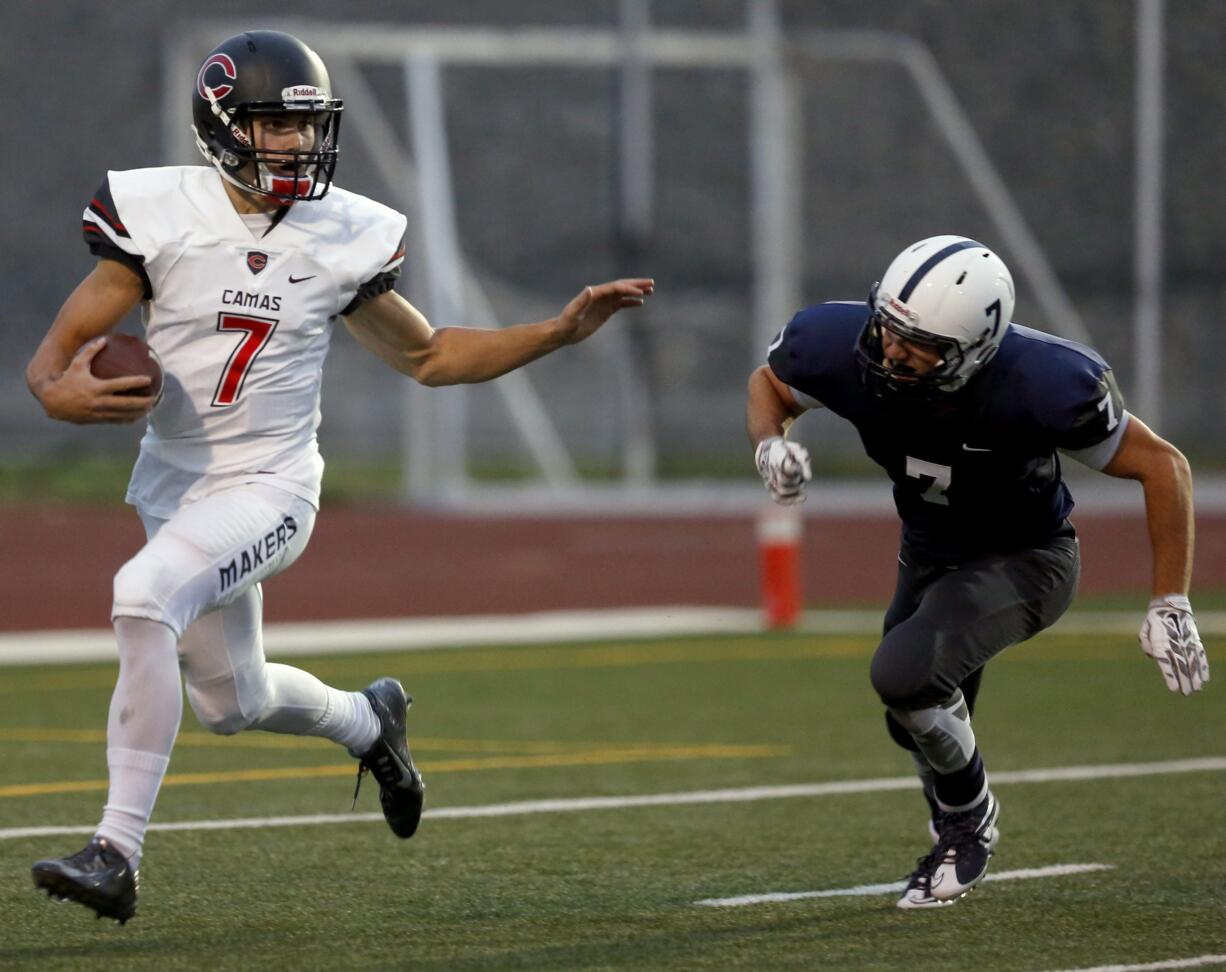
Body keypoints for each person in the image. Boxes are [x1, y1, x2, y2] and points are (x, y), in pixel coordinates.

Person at [25, 29, 653, 924]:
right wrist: (59, 393)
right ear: (222, 124)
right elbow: (54, 362)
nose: (295, 145)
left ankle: (115, 852)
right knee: (231, 701)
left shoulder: (344, 232)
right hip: (174, 485)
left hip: (273, 487)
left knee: (140, 597)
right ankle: (371, 724)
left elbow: (430, 355)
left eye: (307, 128)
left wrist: (553, 332)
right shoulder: (154, 211)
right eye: (274, 126)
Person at [746, 234, 1207, 909]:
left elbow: (1163, 465)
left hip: (1027, 558)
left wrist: (1171, 599)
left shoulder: (1042, 383)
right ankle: (957, 800)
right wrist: (769, 444)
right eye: (888, 329)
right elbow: (772, 383)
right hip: (930, 549)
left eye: (920, 344)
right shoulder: (838, 341)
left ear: (976, 352)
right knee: (908, 717)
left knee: (902, 676)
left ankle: (969, 824)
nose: (892, 351)